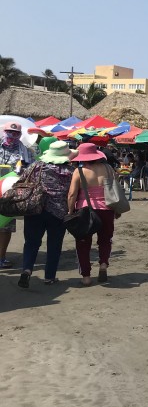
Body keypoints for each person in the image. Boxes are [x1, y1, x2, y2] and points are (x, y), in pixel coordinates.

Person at [17, 141, 75, 288]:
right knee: (54, 245)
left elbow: (22, 180)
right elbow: (74, 192)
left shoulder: (37, 166)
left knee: (31, 242)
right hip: (58, 212)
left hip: (35, 208)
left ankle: (27, 269)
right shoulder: (70, 171)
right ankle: (49, 277)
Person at [66, 142, 120, 286]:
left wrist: (70, 211)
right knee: (105, 240)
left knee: (83, 243)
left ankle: (86, 276)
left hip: (85, 210)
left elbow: (72, 194)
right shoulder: (109, 169)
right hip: (107, 209)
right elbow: (115, 190)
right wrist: (117, 209)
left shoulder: (79, 171)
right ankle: (103, 264)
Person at [0, 121, 35, 268]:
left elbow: (31, 168)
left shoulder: (24, 150)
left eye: (16, 133)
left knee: (6, 227)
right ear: (4, 131)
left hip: (10, 193)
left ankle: (1, 258)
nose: (12, 135)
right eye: (9, 132)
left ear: (20, 135)